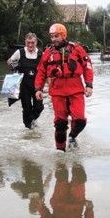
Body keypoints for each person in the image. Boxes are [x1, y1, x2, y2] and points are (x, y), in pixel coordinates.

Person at [34, 23, 94, 151]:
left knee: (80, 120)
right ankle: (60, 152)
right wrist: (38, 88)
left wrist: (89, 84)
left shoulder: (76, 49)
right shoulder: (48, 52)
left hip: (75, 90)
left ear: (63, 35)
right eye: (52, 36)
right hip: (57, 92)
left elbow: (87, 65)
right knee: (60, 124)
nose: (54, 39)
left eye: (56, 36)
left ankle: (72, 136)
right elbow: (41, 71)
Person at [7, 32, 44, 129]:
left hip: (37, 86)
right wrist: (14, 65)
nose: (30, 45)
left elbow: (45, 70)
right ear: (25, 42)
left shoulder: (41, 53)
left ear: (36, 42)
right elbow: (9, 61)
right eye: (28, 43)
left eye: (32, 42)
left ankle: (31, 120)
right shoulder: (20, 52)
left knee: (39, 107)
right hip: (24, 86)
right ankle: (28, 128)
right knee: (26, 109)